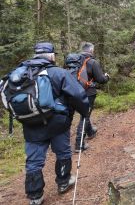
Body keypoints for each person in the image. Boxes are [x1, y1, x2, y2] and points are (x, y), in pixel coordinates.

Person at [0, 42, 90, 205]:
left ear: (35, 55)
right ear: (51, 56)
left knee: (34, 160)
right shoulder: (58, 73)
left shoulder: (21, 73)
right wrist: (85, 110)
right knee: (62, 151)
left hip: (31, 123)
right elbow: (77, 94)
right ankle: (64, 182)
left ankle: (35, 196)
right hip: (57, 122)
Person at [74, 42, 109, 152]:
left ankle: (90, 131)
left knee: (85, 114)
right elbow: (101, 79)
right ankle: (79, 145)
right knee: (85, 116)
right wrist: (107, 77)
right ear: (91, 50)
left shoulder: (74, 61)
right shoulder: (92, 62)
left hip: (73, 92)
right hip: (88, 93)